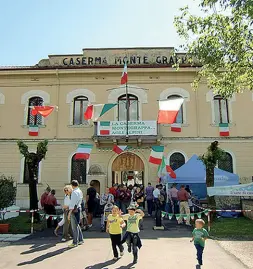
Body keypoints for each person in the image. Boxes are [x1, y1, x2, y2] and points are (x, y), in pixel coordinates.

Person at [68, 180, 84, 248]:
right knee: (77, 225)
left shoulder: (74, 192)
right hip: (78, 208)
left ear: (72, 185)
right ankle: (80, 239)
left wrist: (69, 213)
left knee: (74, 227)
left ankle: (75, 242)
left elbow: (72, 204)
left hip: (74, 210)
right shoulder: (79, 191)